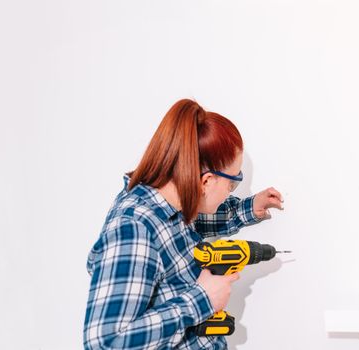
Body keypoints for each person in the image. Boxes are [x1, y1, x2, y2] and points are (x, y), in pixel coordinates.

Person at [83, 99, 284, 349]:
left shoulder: (171, 203)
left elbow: (197, 219)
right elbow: (106, 342)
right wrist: (202, 299)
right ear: (207, 181)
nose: (231, 190)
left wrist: (249, 208)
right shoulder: (134, 229)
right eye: (232, 183)